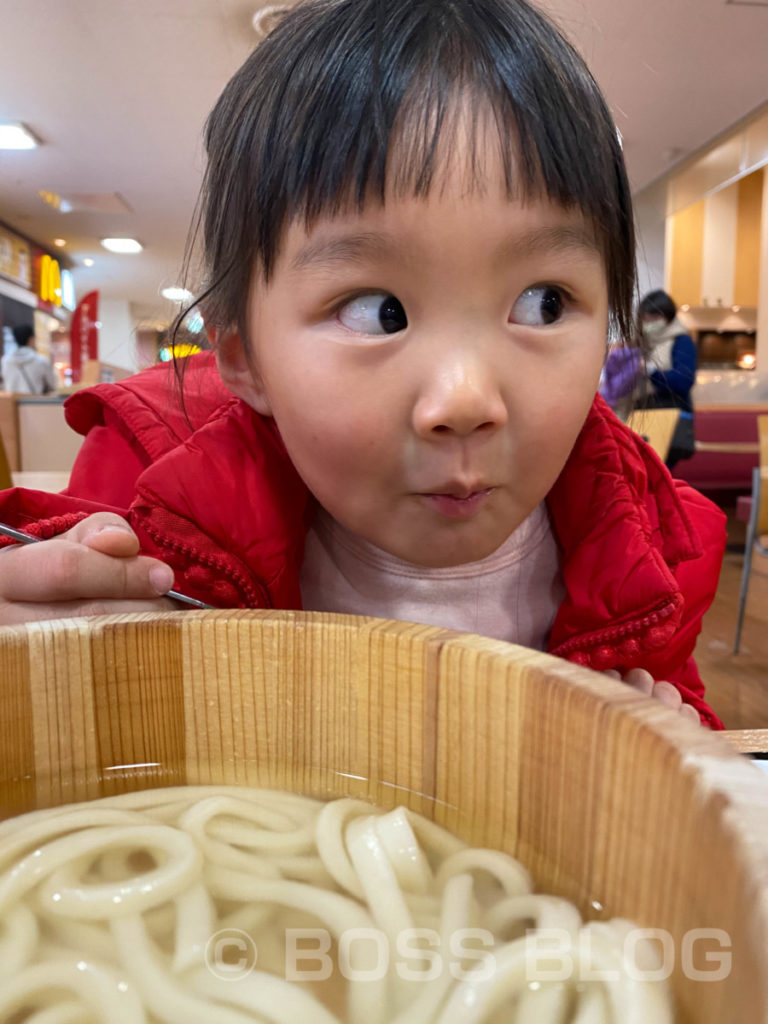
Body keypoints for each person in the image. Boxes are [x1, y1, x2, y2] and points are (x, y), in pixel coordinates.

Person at [0, 0, 726, 727]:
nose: (465, 399)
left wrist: (676, 742)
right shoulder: (154, 510)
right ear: (245, 358)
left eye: (542, 302)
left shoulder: (649, 548)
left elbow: (684, 720)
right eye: (379, 311)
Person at [638, 289, 697, 468]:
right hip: (644, 417)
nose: (648, 324)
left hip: (669, 418)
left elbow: (683, 381)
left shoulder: (681, 341)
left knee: (658, 476)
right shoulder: (645, 344)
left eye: (653, 319)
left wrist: (650, 371)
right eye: (645, 319)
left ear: (667, 317)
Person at [1, 324, 59, 395]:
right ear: (31, 339)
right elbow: (52, 385)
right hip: (32, 403)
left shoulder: (5, 361)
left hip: (10, 404)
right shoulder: (41, 361)